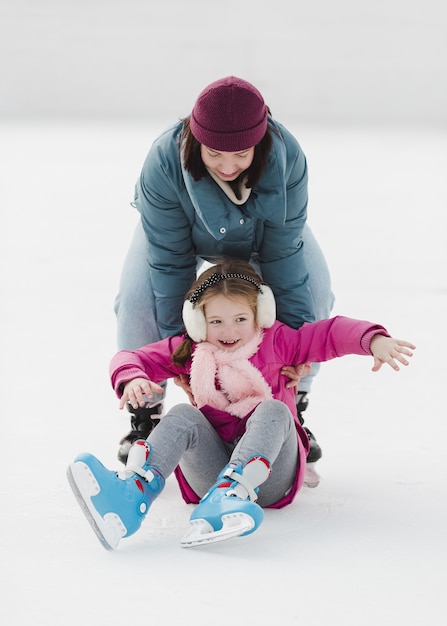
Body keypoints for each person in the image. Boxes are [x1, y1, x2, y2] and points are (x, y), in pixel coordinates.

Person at [67, 259, 415, 551]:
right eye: (216, 321)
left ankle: (233, 493)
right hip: (209, 474)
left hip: (268, 477)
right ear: (198, 321)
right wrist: (132, 376)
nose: (228, 330)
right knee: (182, 415)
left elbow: (330, 333)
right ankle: (132, 494)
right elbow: (131, 356)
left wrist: (374, 340)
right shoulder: (190, 350)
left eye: (239, 319)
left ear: (259, 315)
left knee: (274, 410)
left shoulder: (281, 341)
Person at [113, 75, 335, 467]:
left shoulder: (288, 159)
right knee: (137, 300)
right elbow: (169, 263)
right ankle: (145, 417)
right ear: (196, 140)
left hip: (263, 236)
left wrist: (298, 348)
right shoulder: (163, 160)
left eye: (241, 154)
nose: (227, 165)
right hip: (176, 234)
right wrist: (183, 351)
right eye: (214, 153)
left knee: (315, 291)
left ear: (260, 141)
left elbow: (284, 257)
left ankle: (293, 405)